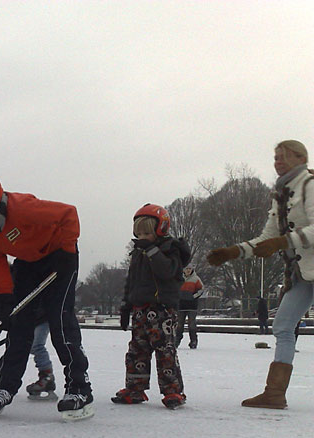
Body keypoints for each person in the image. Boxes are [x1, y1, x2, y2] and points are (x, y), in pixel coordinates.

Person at [0, 163, 93, 419]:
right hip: (28, 262)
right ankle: (6, 387)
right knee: (19, 323)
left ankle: (79, 387)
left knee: (59, 319)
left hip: (59, 257)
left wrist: (66, 251)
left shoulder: (20, 208)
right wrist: (6, 297)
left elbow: (68, 214)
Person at [207, 139, 313, 409]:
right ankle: (275, 393)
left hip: (305, 267)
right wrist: (233, 252)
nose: (277, 161)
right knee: (282, 327)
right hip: (302, 272)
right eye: (275, 157)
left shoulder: (310, 185)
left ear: (301, 158)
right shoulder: (281, 193)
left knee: (283, 327)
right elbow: (267, 237)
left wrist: (282, 242)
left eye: (283, 157)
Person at [114, 204, 190, 409]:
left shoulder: (170, 250)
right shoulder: (138, 253)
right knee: (137, 350)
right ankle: (135, 387)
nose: (142, 237)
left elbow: (167, 272)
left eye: (147, 233)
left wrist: (153, 251)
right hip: (140, 309)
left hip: (162, 310)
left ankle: (172, 390)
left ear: (161, 230)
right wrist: (125, 306)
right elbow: (132, 281)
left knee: (164, 350)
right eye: (139, 233)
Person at [0, 262, 57, 400]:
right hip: (21, 322)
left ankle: (47, 377)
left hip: (41, 317)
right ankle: (5, 378)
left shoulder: (18, 282)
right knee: (13, 349)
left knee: (35, 345)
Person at [176, 265, 203, 349]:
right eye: (186, 268)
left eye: (189, 269)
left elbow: (201, 289)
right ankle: (176, 340)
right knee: (179, 324)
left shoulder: (196, 279)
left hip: (192, 306)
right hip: (181, 306)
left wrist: (193, 296)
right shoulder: (179, 278)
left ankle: (193, 341)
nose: (188, 270)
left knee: (192, 324)